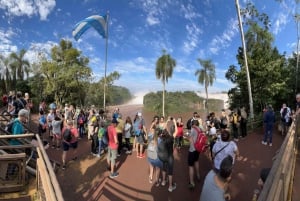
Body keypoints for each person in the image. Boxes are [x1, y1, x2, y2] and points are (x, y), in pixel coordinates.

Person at [187, 120, 201, 189]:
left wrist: (186, 137)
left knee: (191, 166)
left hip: (192, 149)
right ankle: (198, 175)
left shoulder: (192, 130)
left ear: (193, 124)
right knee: (196, 161)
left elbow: (190, 140)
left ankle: (192, 182)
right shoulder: (199, 129)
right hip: (198, 149)